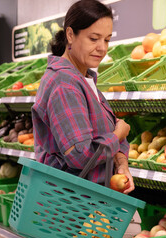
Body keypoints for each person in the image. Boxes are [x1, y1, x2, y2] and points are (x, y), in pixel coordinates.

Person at [32, 0, 134, 194]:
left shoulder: (84, 79)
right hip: (67, 207)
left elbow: (106, 134)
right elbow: (80, 156)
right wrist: (119, 134)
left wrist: (122, 165)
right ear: (71, 35)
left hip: (89, 203)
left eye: (107, 40)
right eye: (94, 39)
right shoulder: (64, 84)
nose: (102, 48)